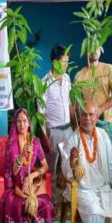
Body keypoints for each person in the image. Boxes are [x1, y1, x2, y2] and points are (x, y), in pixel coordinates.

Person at [61, 103, 112, 223]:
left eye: (91, 115)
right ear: (79, 117)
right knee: (95, 214)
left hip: (104, 188)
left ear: (96, 117)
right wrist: (72, 162)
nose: (87, 118)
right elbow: (66, 172)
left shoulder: (103, 135)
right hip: (83, 191)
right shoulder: (73, 139)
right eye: (84, 114)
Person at [2, 108, 53, 223]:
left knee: (46, 204)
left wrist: (32, 176)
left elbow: (45, 166)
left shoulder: (35, 142)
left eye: (24, 121)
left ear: (29, 123)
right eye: (19, 121)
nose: (22, 124)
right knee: (17, 206)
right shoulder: (11, 144)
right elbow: (14, 172)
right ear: (15, 124)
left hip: (32, 185)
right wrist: (22, 154)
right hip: (17, 187)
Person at [73, 46, 112, 166]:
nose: (93, 50)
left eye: (97, 47)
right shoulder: (79, 76)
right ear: (85, 52)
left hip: (105, 121)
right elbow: (77, 104)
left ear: (101, 50)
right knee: (91, 158)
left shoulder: (108, 69)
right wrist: (77, 124)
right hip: (87, 122)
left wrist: (100, 109)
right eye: (90, 48)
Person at [40, 44, 75, 203]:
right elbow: (40, 113)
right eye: (64, 62)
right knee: (51, 169)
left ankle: (69, 197)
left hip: (68, 130)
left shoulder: (67, 79)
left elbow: (69, 104)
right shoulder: (44, 83)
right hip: (53, 132)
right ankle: (51, 201)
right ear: (54, 62)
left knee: (69, 166)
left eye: (67, 61)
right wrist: (44, 136)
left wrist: (76, 127)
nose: (66, 65)